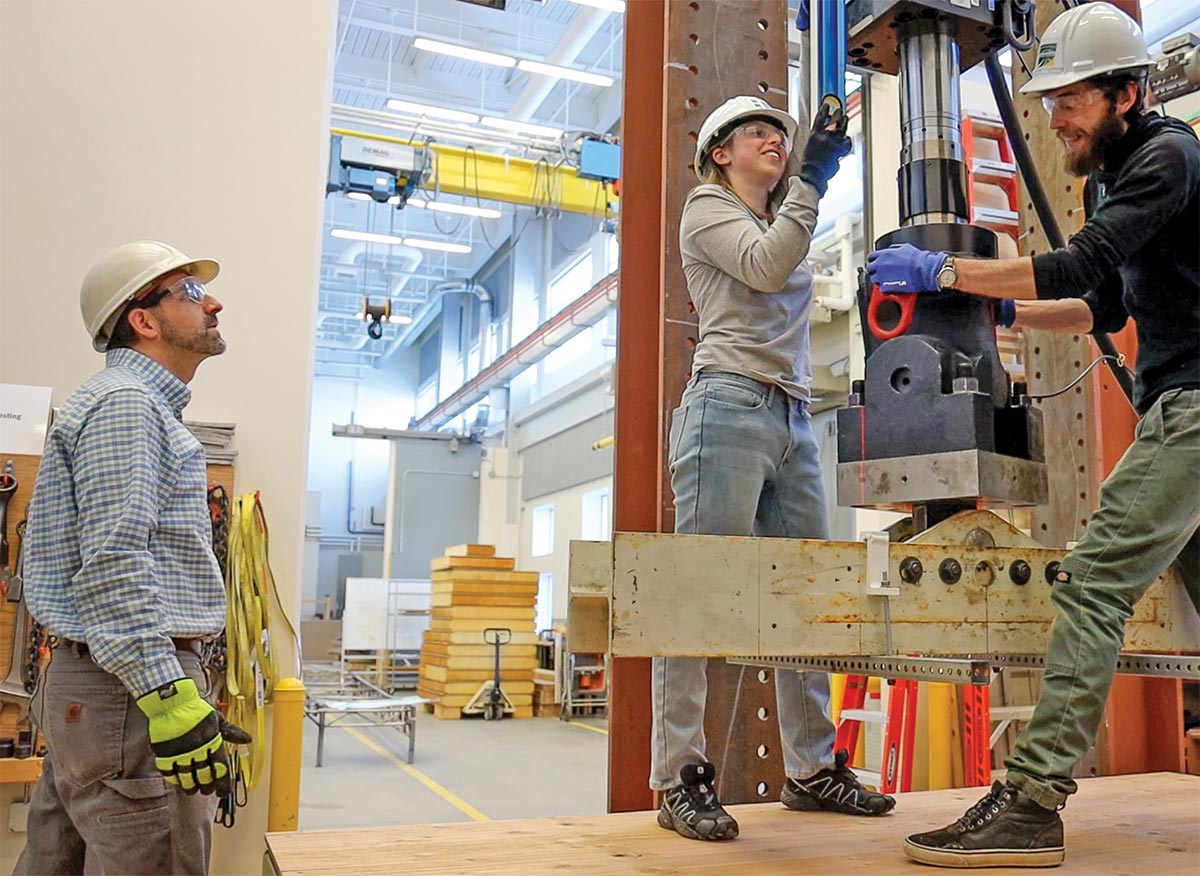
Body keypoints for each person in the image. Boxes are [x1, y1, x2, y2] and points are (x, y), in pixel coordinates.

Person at [865, 3, 1199, 868]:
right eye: (1047, 101)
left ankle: (1032, 802)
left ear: (1128, 93)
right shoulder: (1109, 178)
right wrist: (999, 304)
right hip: (1182, 401)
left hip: (1196, 405)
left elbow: (1081, 260)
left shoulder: (1171, 156)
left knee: (1092, 583)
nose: (1055, 119)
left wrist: (946, 268)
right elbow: (1104, 304)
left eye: (1073, 101)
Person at [655, 94, 896, 842]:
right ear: (720, 153)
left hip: (792, 413)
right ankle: (678, 776)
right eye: (757, 131)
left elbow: (785, 260)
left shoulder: (776, 218)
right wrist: (814, 179)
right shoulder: (706, 208)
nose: (774, 140)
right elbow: (765, 269)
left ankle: (811, 767)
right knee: (697, 594)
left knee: (809, 594)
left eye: (782, 136)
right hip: (725, 407)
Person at [15, 241, 250, 876]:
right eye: (193, 294)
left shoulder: (131, 406)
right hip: (129, 693)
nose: (215, 303)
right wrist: (167, 693)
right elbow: (115, 562)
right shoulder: (129, 405)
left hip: (104, 690)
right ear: (143, 319)